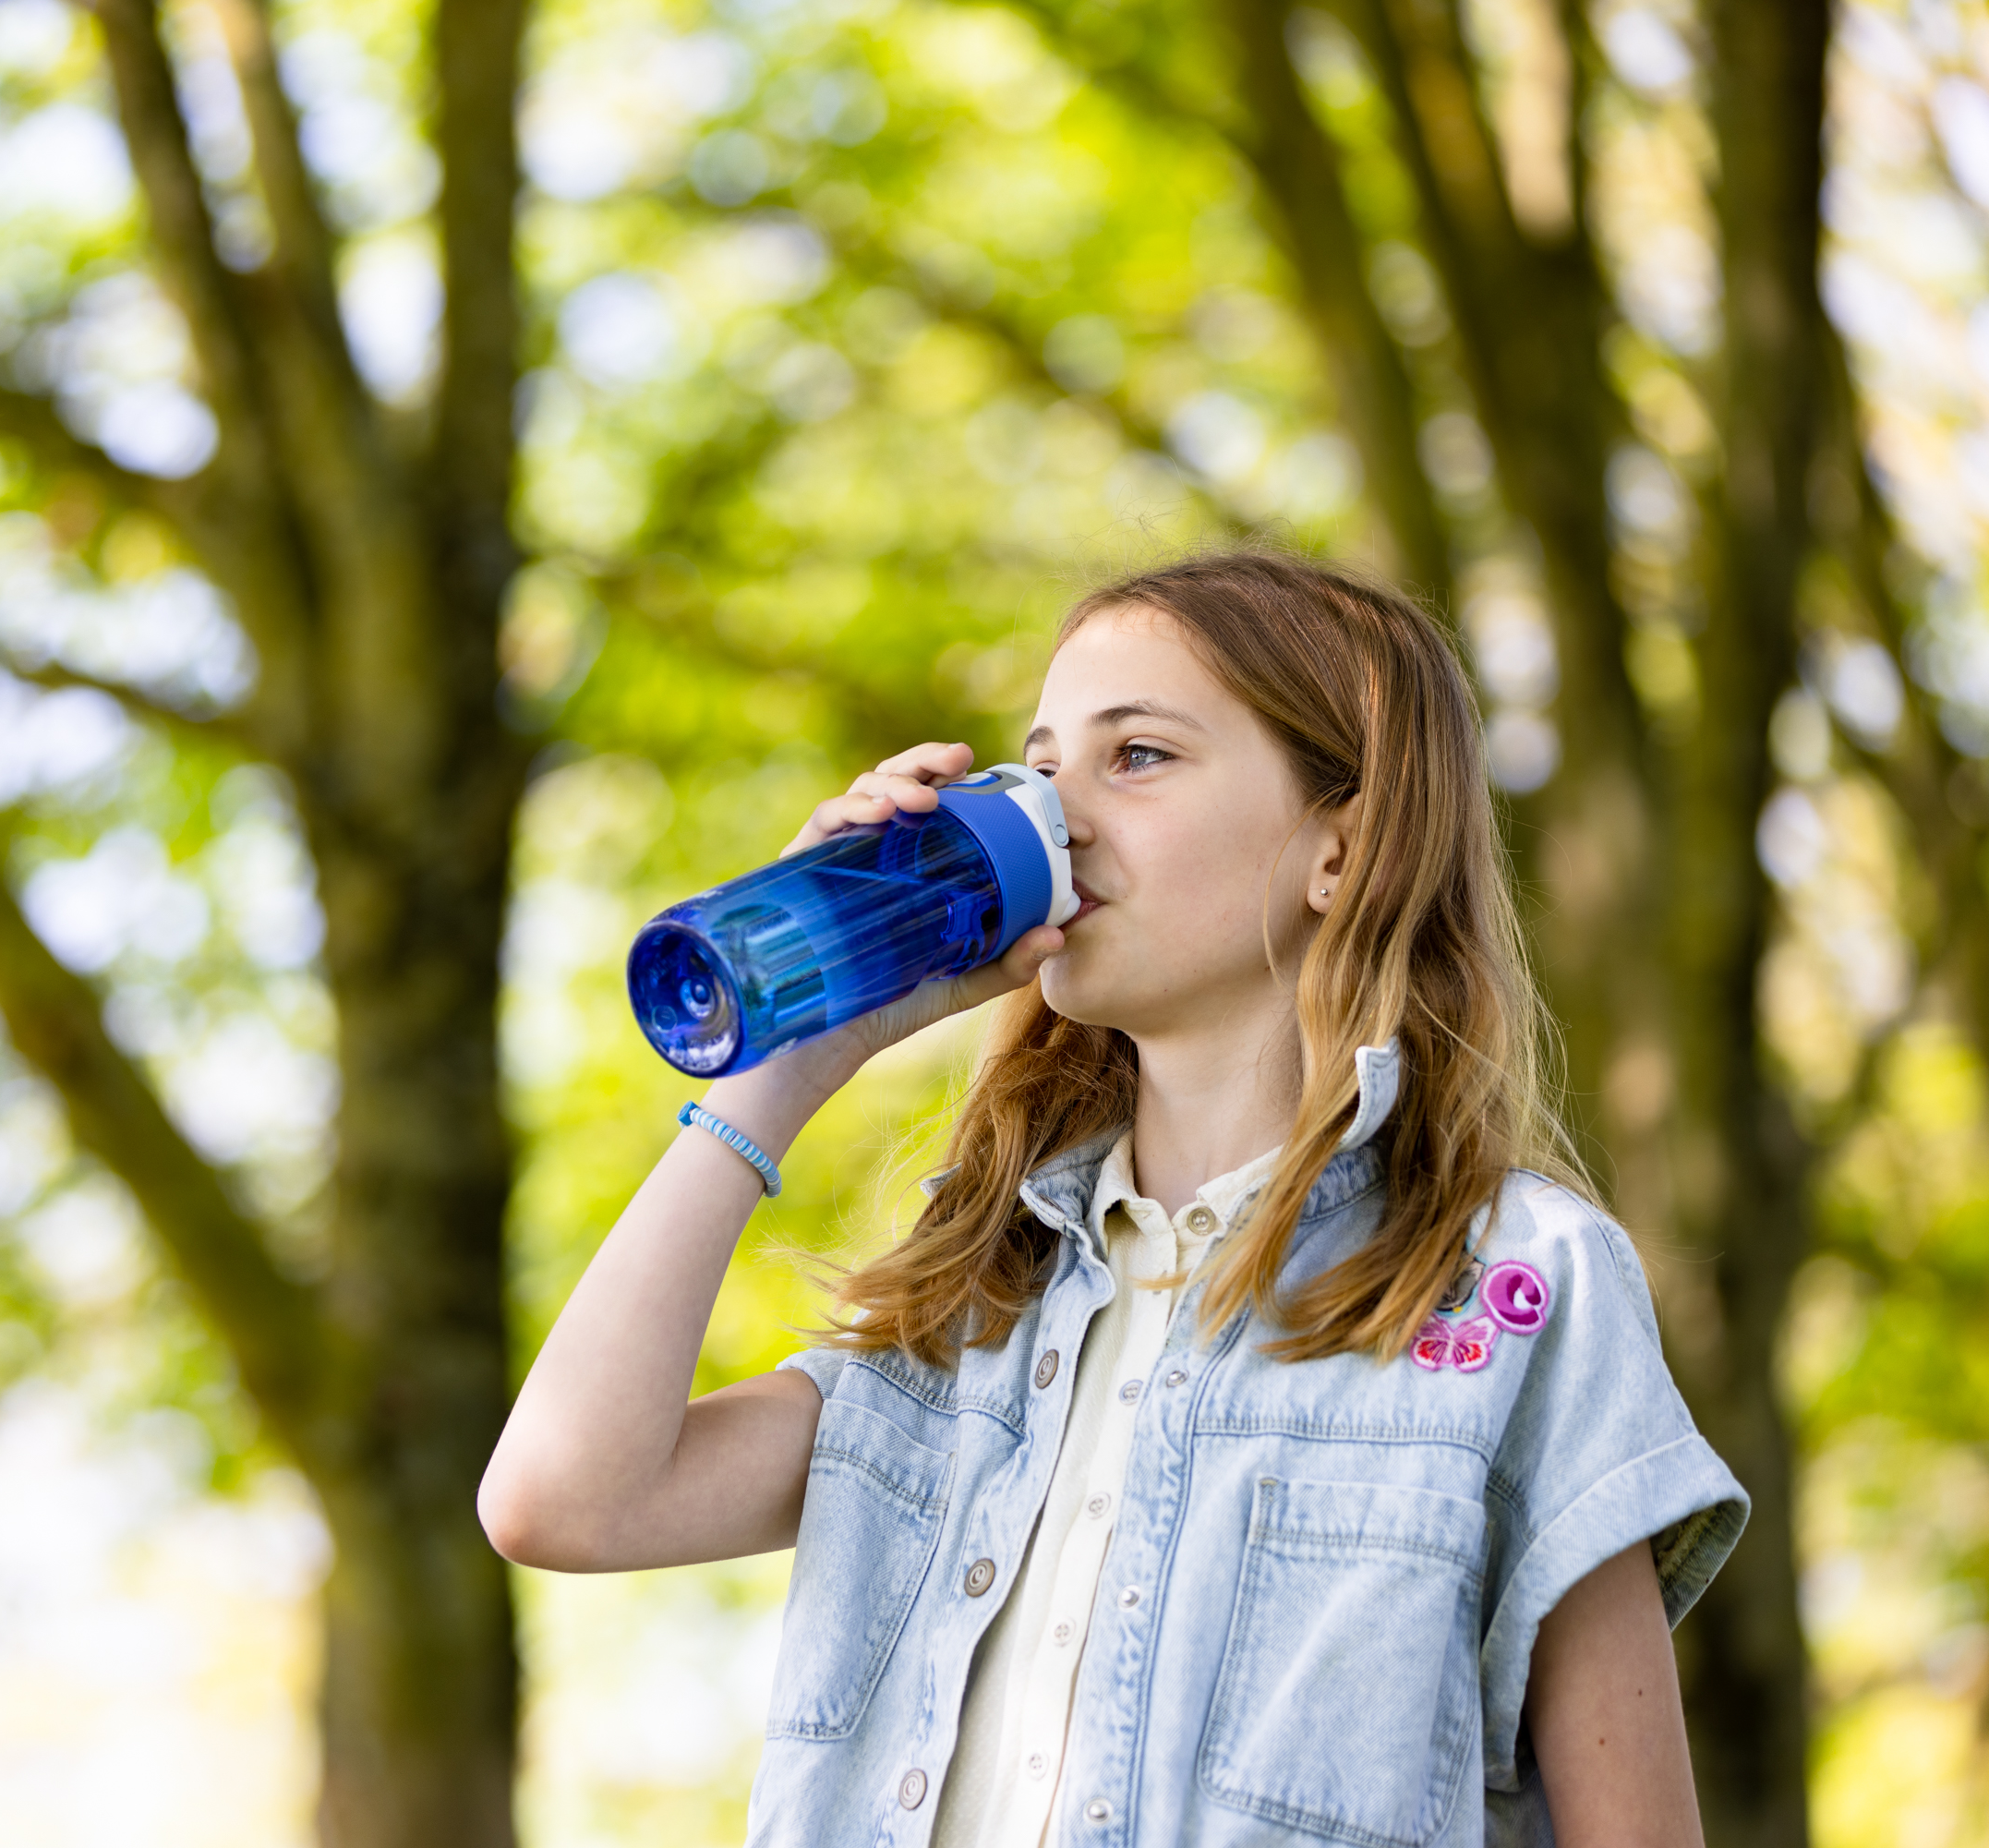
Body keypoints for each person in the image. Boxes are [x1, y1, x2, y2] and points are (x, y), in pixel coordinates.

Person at [476, 550, 1748, 1848]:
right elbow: (561, 1497)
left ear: (1340, 847)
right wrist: (783, 1061)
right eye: (1039, 762)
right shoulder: (969, 1310)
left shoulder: (1516, 1287)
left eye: (1136, 755)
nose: (1056, 813)